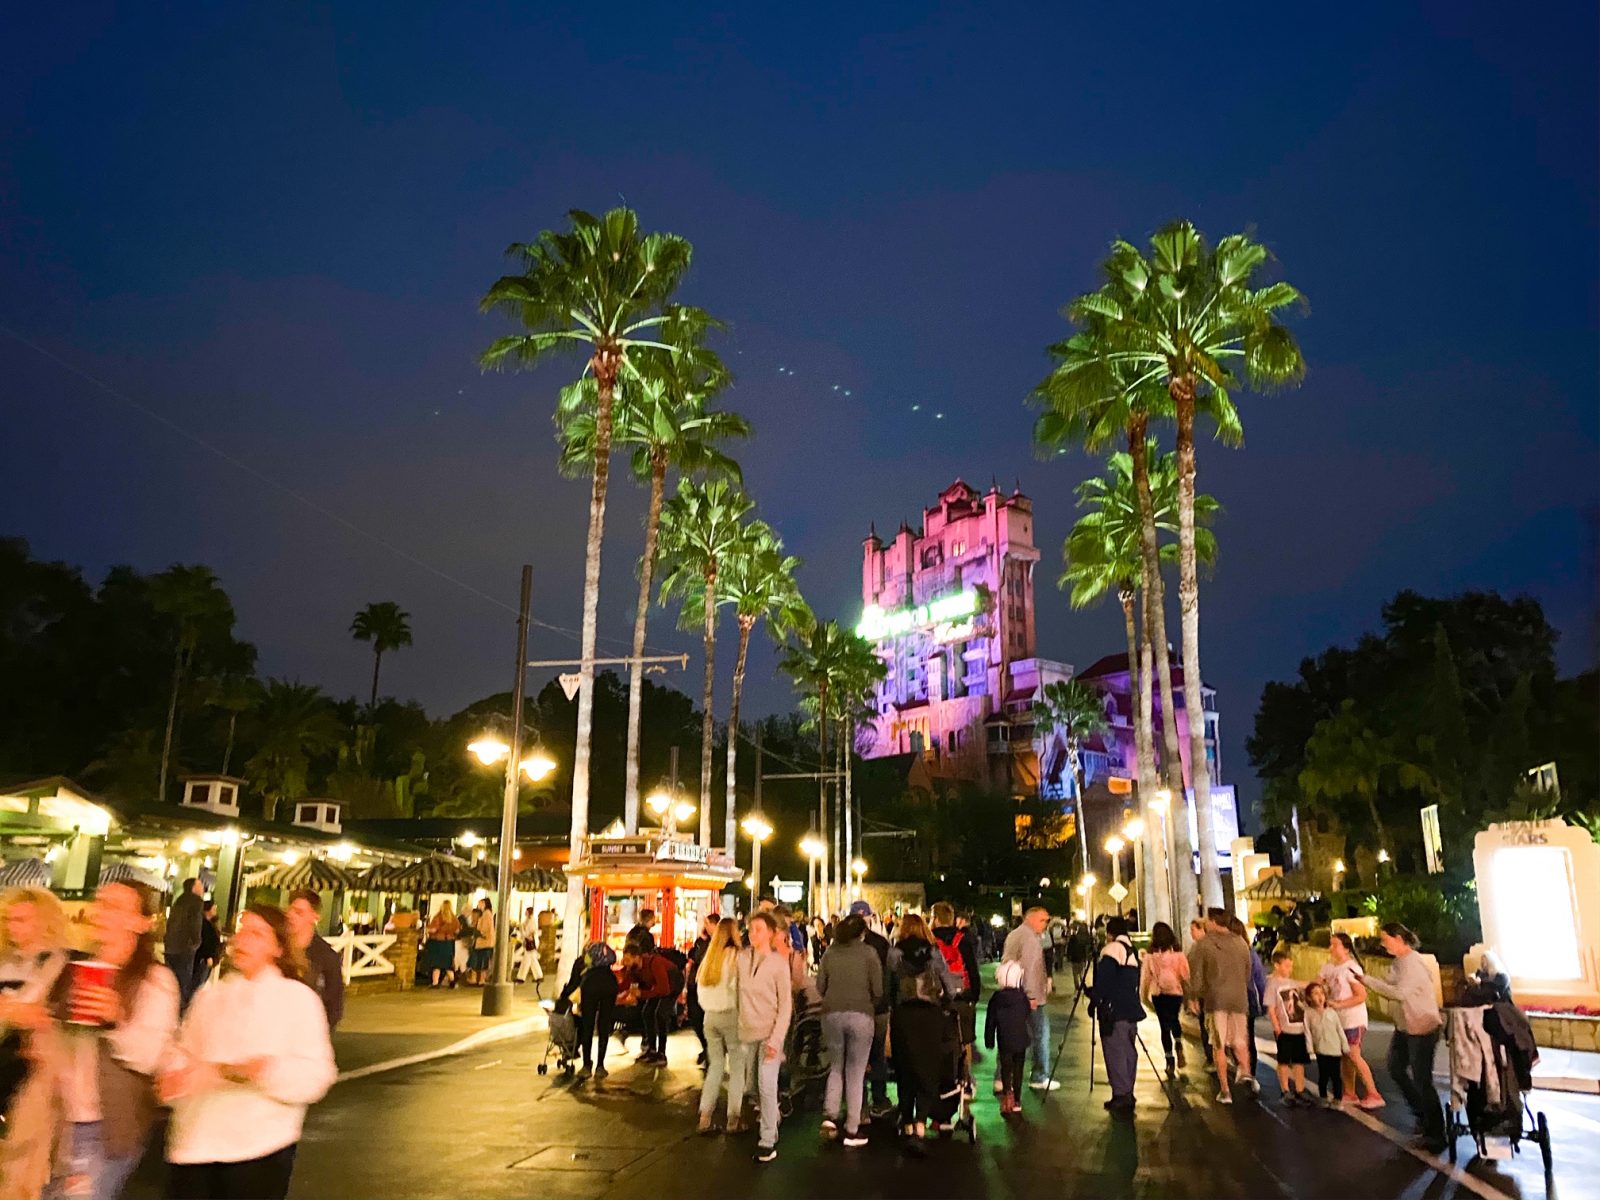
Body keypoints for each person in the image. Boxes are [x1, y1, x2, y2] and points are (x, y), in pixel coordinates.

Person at [161, 903, 337, 1200]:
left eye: (256, 934)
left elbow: (317, 1075)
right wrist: (175, 1074)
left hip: (257, 1147)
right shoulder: (212, 995)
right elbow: (184, 1049)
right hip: (194, 1144)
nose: (242, 940)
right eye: (241, 931)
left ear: (279, 948)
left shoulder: (298, 999)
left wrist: (257, 1071)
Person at [50, 880, 179, 1200]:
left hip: (105, 1128)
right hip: (58, 1120)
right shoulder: (73, 967)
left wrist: (117, 1018)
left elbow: (151, 1057)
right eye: (100, 902)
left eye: (115, 907)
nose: (101, 912)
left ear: (140, 923)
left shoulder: (154, 979)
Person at [0, 886, 72, 1200]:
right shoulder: (9, 962)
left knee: (23, 1171)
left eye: (23, 920)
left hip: (35, 1077)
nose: (15, 927)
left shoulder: (60, 964)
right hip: (11, 1068)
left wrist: (13, 1010)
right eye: (11, 920)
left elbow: (38, 1015)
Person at [1361, 922, 1445, 1153]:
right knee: (1396, 1068)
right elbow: (1388, 982)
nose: (1383, 944)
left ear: (1399, 938)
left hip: (1422, 1027)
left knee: (1422, 1080)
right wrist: (1365, 978)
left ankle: (1436, 1133)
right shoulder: (1399, 962)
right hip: (1406, 1026)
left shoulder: (1413, 963)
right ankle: (1422, 1115)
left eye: (1385, 939)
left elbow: (1398, 993)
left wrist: (1367, 981)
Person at [888, 912, 958, 1145]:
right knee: (927, 1069)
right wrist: (948, 1002)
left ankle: (906, 1122)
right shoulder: (933, 952)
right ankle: (921, 1123)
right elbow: (947, 983)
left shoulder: (895, 953)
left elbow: (888, 985)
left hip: (903, 1016)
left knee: (905, 1068)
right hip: (929, 1016)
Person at [815, 913, 881, 1148]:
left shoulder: (830, 953)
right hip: (861, 1014)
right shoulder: (869, 953)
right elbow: (878, 989)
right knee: (856, 1071)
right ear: (862, 933)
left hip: (832, 1013)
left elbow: (820, 985)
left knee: (836, 1066)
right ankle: (852, 1128)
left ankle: (830, 1116)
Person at [735, 912, 791, 1164]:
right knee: (754, 1088)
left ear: (770, 933)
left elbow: (785, 1005)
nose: (752, 933)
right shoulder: (742, 958)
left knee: (767, 1085)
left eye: (758, 929)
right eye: (750, 929)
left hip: (770, 1033)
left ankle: (768, 1139)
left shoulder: (779, 963)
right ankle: (772, 1118)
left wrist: (777, 1039)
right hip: (747, 1033)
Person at [1187, 908, 1256, 1105]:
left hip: (1216, 999)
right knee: (1240, 1040)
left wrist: (1193, 997)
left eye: (1208, 919)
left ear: (1215, 922)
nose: (1206, 923)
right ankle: (1246, 1072)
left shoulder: (1204, 944)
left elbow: (1197, 975)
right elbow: (1247, 972)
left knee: (1218, 1044)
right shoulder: (1241, 942)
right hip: (1239, 998)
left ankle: (1225, 1090)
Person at [1317, 931, 1382, 1108]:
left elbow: (1361, 995)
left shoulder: (1351, 968)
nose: (1331, 948)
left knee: (1353, 1054)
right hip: (1338, 1020)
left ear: (1346, 948)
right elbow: (1316, 985)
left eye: (1335, 944)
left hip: (1353, 1018)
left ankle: (1373, 1093)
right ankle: (1350, 1092)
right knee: (1345, 1057)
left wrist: (1339, 1004)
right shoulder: (1328, 967)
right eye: (1331, 944)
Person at [1089, 916, 1145, 1113]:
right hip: (1131, 1009)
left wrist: (1094, 997)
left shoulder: (1112, 950)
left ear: (1110, 933)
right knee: (1129, 1051)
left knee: (1115, 1052)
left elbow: (1104, 981)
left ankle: (1120, 1094)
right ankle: (1127, 1091)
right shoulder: (1132, 951)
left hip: (1114, 1011)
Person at [1000, 906, 1057, 1093]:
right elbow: (1031, 969)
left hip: (1011, 992)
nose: (1045, 924)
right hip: (1030, 997)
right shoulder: (1031, 939)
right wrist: (1032, 995)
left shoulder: (1014, 934)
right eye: (1043, 920)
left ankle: (1002, 1077)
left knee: (1010, 1036)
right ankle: (1039, 1075)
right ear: (1032, 919)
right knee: (1040, 1034)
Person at [694, 918, 741, 1132]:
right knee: (737, 1067)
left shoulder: (709, 959)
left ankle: (705, 1115)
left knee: (715, 1066)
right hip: (730, 1015)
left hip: (709, 1017)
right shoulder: (736, 957)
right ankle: (733, 1118)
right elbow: (739, 989)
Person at [929, 902, 981, 1091]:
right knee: (964, 1039)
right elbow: (973, 968)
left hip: (937, 997)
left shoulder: (930, 940)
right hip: (962, 995)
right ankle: (966, 1079)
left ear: (935, 918)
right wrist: (974, 994)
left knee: (939, 1040)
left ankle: (940, 1080)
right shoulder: (962, 939)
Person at [286, 889, 345, 1033]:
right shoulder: (278, 947)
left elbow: (334, 1005)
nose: (291, 916)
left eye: (299, 912)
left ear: (315, 916)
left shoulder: (327, 957)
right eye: (290, 911)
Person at [560, 942, 619, 1080]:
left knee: (588, 1024)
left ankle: (587, 1065)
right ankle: (600, 1066)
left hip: (590, 985)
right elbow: (613, 959)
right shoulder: (607, 956)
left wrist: (563, 998)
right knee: (603, 1025)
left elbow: (578, 976)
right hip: (609, 985)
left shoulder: (586, 958)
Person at [1140, 921, 1189, 1072]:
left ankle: (1169, 1061)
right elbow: (1185, 975)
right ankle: (1179, 1043)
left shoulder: (1150, 956)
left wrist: (1143, 996)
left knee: (1164, 1027)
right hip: (1175, 992)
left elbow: (1145, 977)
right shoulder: (1178, 955)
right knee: (1174, 1019)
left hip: (1158, 993)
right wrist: (1188, 995)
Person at [984, 959, 1031, 1116]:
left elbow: (990, 1021)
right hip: (1021, 1039)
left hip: (1004, 1040)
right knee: (1018, 1069)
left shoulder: (996, 998)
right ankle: (1017, 1100)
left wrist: (989, 1040)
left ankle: (1007, 1095)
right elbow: (1027, 1013)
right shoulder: (1022, 997)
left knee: (1006, 1069)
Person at [1264, 948, 1309, 1106]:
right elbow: (1271, 1008)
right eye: (1286, 966)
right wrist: (1277, 1028)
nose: (1289, 970)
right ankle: (1285, 1090)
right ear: (1277, 965)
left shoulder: (1292, 983)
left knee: (1299, 1060)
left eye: (1290, 967)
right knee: (1283, 1060)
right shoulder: (1272, 984)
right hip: (1284, 1029)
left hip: (1298, 1027)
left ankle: (1300, 1089)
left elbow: (1304, 986)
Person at [622, 940, 675, 1064]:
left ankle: (662, 1053)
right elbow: (626, 984)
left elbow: (664, 989)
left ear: (637, 957)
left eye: (628, 960)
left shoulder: (654, 963)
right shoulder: (633, 969)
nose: (626, 964)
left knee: (660, 1013)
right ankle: (651, 1050)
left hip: (672, 985)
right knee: (647, 1012)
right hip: (657, 987)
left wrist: (643, 994)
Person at [1303, 981, 1348, 1107]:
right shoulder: (1308, 1014)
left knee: (1335, 1075)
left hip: (1335, 1049)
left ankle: (1338, 1098)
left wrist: (1344, 1045)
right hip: (1321, 1049)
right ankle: (1323, 1096)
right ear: (1309, 998)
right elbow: (1307, 1031)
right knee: (1323, 1074)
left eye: (1321, 993)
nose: (1320, 996)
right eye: (1315, 993)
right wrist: (1310, 1047)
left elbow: (1339, 1029)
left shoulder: (1332, 1013)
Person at [163, 878, 205, 1010]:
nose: (203, 888)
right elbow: (195, 923)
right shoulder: (196, 901)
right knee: (183, 983)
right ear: (194, 888)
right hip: (184, 948)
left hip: (170, 947)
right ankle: (180, 1013)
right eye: (200, 885)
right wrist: (196, 942)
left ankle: (169, 1009)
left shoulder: (179, 899)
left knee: (172, 981)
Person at [687, 911, 719, 1069]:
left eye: (707, 923)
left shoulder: (717, 944)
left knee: (704, 1021)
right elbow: (693, 955)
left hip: (706, 986)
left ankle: (711, 1052)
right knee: (696, 1019)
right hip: (695, 985)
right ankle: (707, 1049)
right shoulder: (703, 942)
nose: (705, 926)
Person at [1186, 917, 1214, 1071]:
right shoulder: (1202, 947)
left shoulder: (1199, 948)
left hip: (1205, 994)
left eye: (1193, 930)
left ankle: (1211, 1058)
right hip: (1213, 993)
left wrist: (1193, 997)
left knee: (1206, 1027)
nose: (1191, 933)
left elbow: (1196, 974)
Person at [423, 902, 457, 988]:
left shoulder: (438, 917)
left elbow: (433, 929)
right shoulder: (454, 918)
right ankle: (452, 980)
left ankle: (435, 983)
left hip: (438, 942)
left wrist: (427, 929)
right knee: (447, 964)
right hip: (449, 943)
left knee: (436, 963)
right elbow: (457, 930)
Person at [193, 900, 222, 992]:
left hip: (208, 959)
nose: (215, 911)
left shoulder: (211, 924)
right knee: (199, 984)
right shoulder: (204, 925)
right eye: (213, 909)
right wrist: (208, 956)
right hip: (204, 960)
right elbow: (205, 941)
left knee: (201, 982)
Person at [514, 907, 544, 994]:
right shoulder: (526, 920)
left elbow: (532, 931)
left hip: (531, 942)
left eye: (526, 911)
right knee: (530, 960)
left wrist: (525, 934)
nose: (525, 913)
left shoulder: (532, 921)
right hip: (528, 941)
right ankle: (537, 976)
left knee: (528, 960)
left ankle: (522, 977)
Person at [468, 898, 496, 986]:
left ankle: (480, 979)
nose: (478, 905)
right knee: (480, 961)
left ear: (484, 903)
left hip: (484, 942)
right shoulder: (484, 913)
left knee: (482, 961)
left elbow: (486, 929)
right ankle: (478, 979)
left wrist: (478, 932)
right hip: (482, 942)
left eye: (479, 903)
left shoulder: (487, 913)